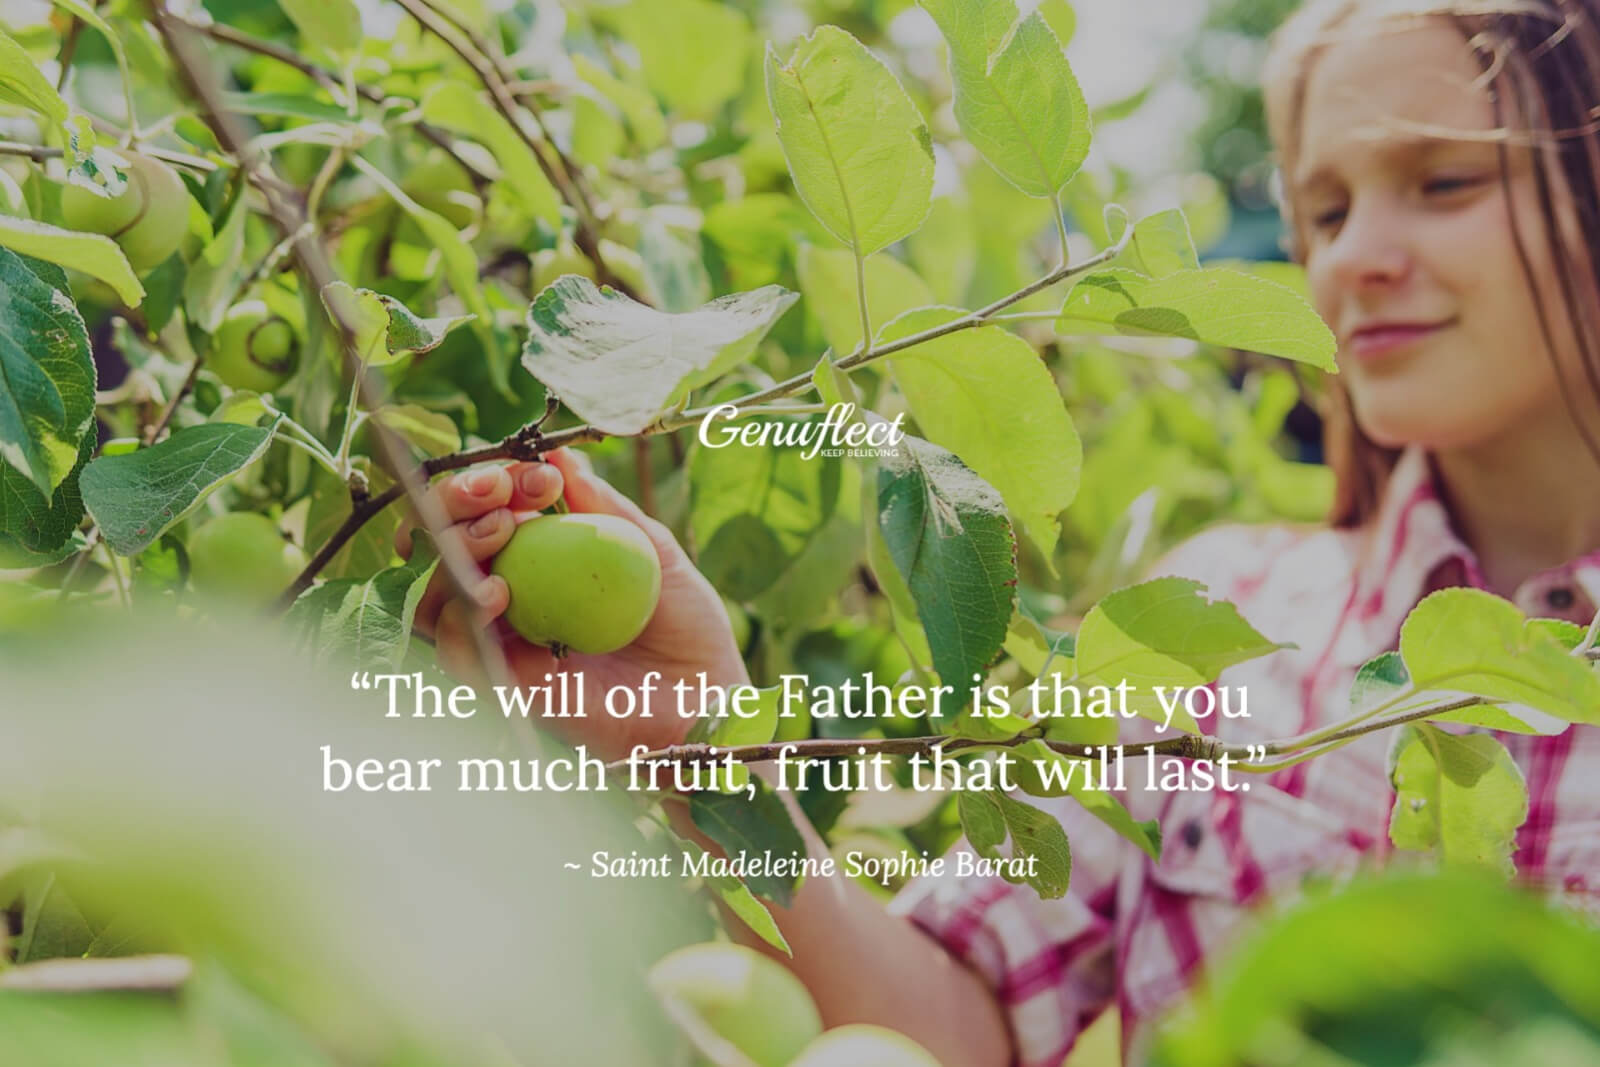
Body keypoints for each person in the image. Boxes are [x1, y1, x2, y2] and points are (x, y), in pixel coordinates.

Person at [398, 0, 1600, 1063]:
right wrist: (695, 745)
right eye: (1324, 210)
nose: (1357, 261)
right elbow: (944, 1031)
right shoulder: (1219, 623)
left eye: (1444, 182)